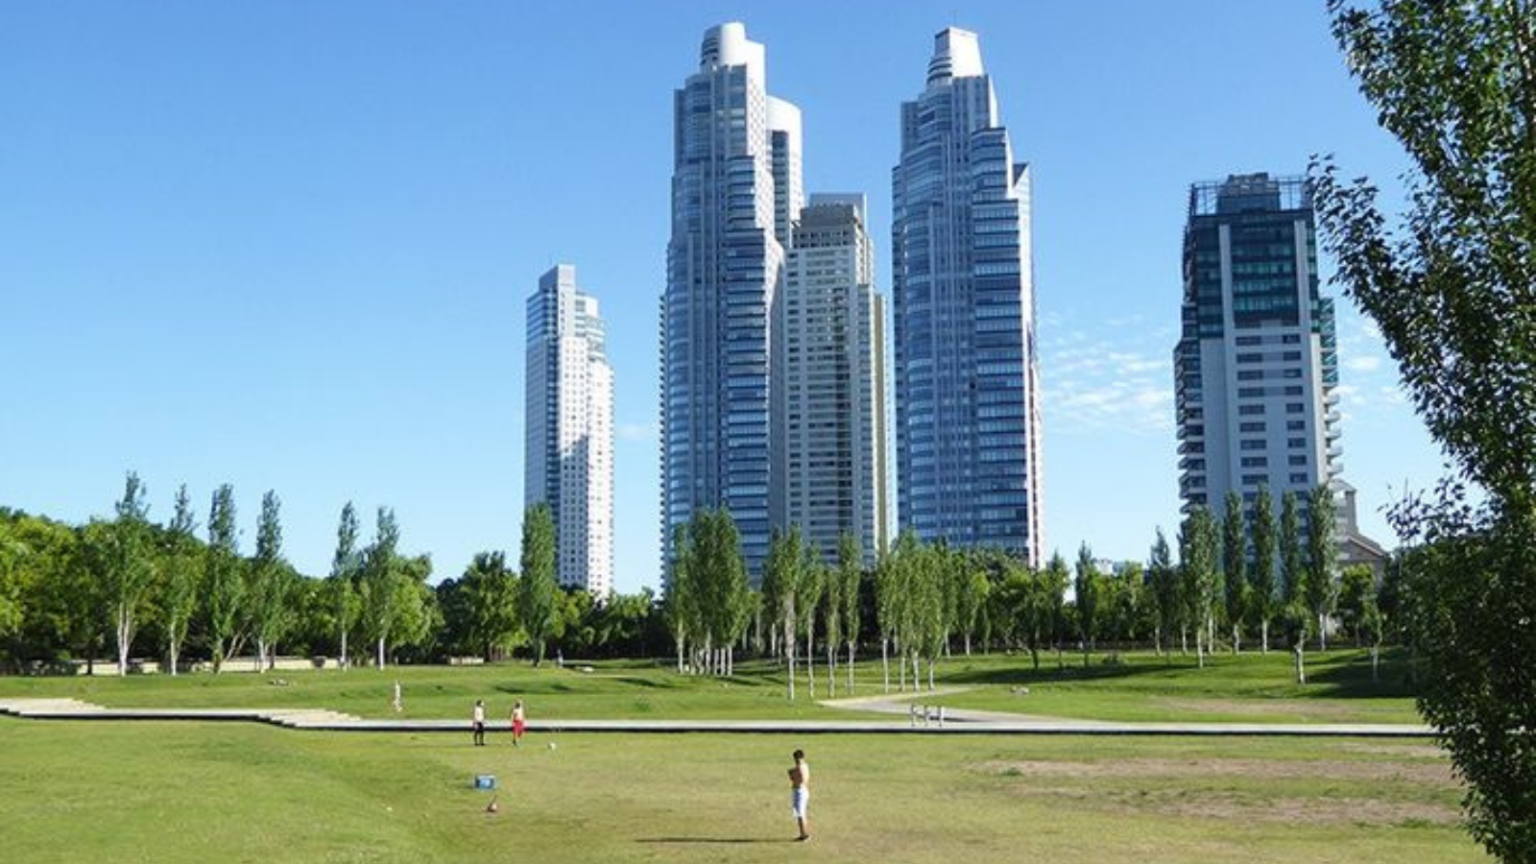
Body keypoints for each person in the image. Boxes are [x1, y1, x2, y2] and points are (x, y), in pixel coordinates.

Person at [788, 749, 811, 841]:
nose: (796, 761)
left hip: (800, 792)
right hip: (802, 791)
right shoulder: (805, 766)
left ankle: (804, 835)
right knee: (801, 814)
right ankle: (803, 833)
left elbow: (799, 780)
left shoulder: (800, 767)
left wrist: (792, 774)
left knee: (800, 814)